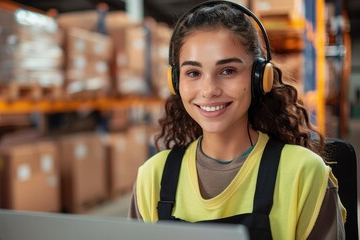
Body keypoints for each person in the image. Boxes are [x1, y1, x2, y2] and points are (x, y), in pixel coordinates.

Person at [128, 1, 346, 239]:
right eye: (193, 73)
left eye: (228, 70)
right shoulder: (152, 177)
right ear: (176, 82)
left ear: (260, 77)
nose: (209, 90)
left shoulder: (303, 174)